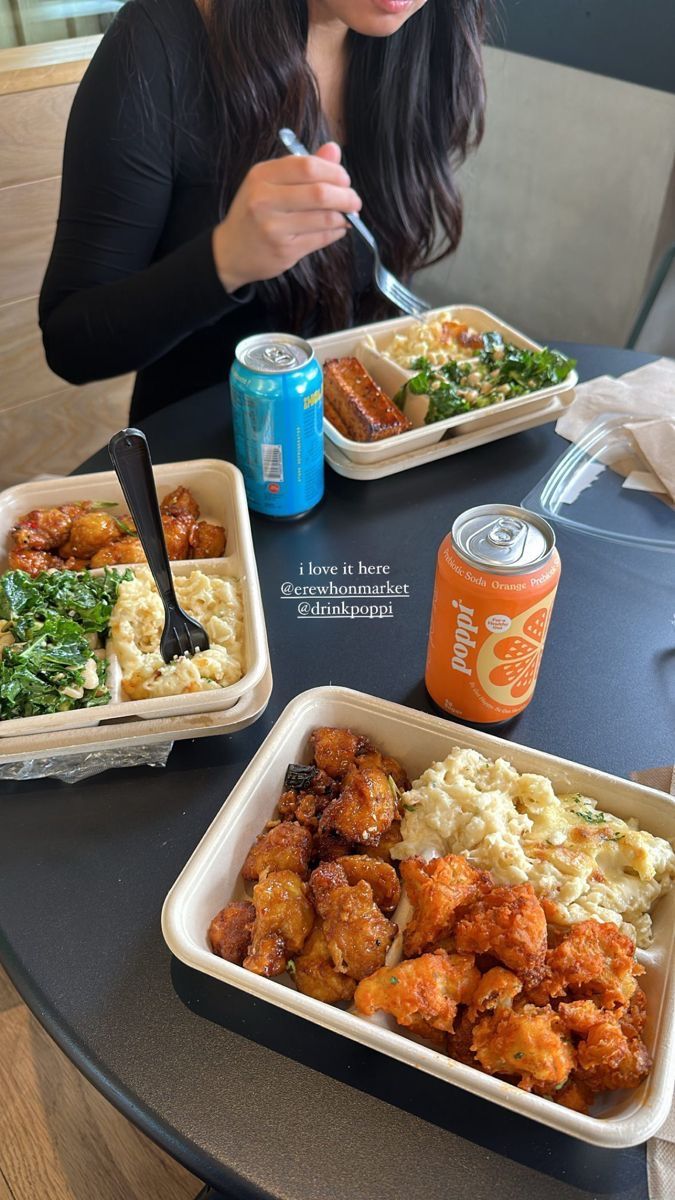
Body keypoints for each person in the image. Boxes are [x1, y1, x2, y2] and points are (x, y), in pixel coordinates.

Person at [39, 0, 486, 422]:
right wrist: (225, 260)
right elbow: (71, 343)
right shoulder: (158, 46)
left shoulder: (423, 37)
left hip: (369, 444)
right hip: (205, 479)